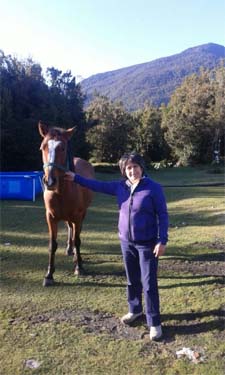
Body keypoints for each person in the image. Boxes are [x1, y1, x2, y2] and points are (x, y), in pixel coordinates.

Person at [65, 152, 169, 341]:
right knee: (131, 279)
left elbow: (163, 215)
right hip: (126, 242)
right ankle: (135, 310)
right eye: (128, 168)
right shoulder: (120, 187)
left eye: (135, 167)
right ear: (124, 171)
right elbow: (97, 185)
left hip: (147, 244)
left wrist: (162, 240)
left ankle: (154, 322)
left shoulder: (153, 188)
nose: (132, 171)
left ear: (141, 167)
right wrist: (76, 177)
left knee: (149, 284)